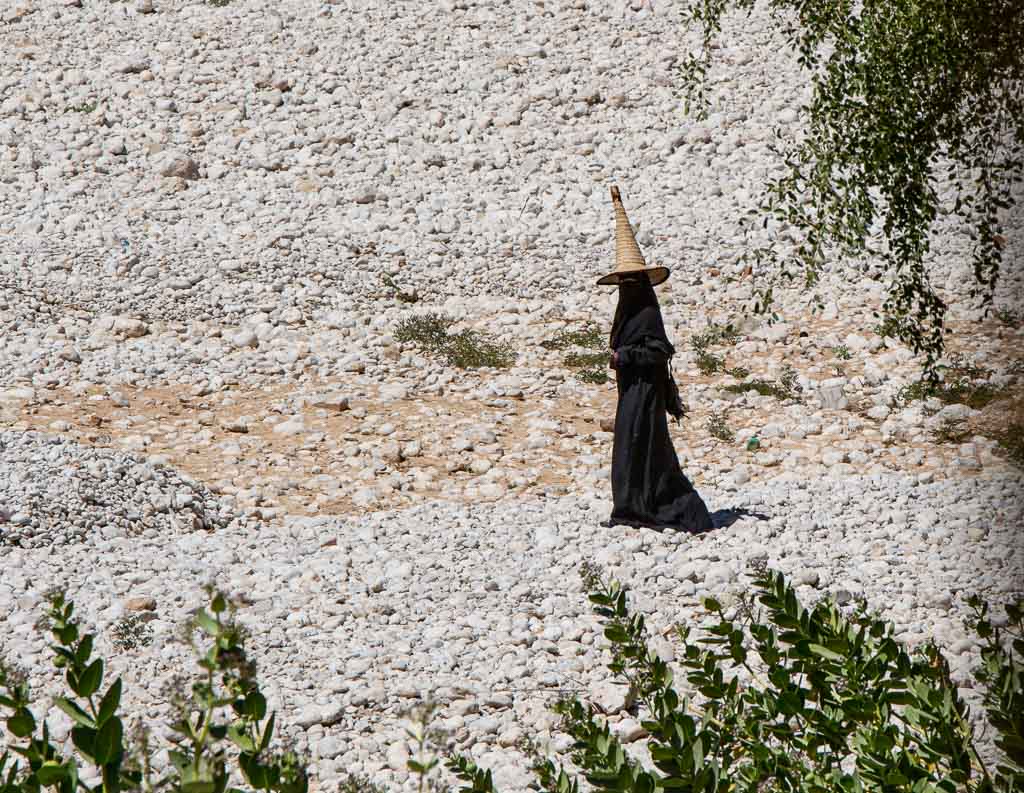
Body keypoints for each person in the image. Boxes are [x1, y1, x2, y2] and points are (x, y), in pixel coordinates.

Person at [597, 187, 713, 533]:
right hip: (632, 391)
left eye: (632, 282)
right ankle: (633, 508)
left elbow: (660, 349)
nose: (628, 288)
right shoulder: (630, 309)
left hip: (646, 392)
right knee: (632, 448)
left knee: (643, 447)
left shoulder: (645, 310)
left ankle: (652, 508)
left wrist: (625, 355)